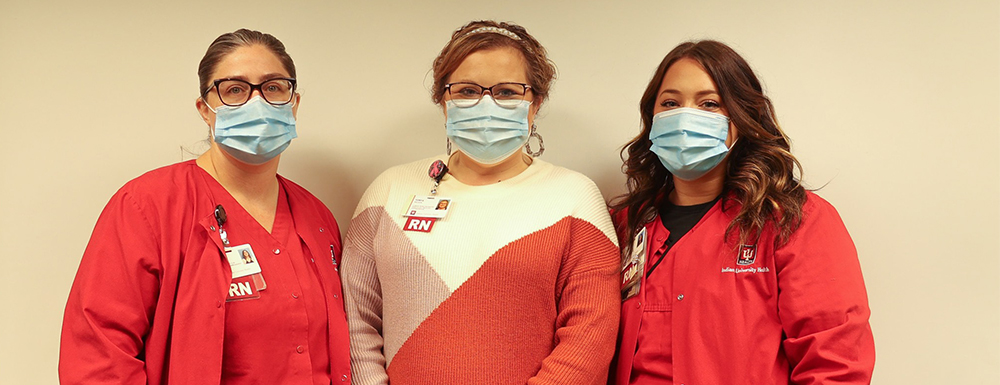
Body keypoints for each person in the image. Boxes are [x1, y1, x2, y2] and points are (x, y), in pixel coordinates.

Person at [59, 29, 351, 384]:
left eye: (273, 87)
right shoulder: (148, 207)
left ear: (294, 103)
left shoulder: (316, 218)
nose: (256, 103)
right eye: (235, 90)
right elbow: (99, 358)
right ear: (205, 109)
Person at [342, 20, 620, 385]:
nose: (486, 104)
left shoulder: (576, 198)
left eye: (506, 92)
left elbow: (590, 334)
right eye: (467, 91)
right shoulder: (389, 190)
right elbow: (356, 320)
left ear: (534, 104)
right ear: (443, 101)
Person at [609, 40, 875, 384]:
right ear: (653, 119)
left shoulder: (793, 219)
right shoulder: (626, 225)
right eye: (671, 103)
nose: (686, 117)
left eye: (709, 104)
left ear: (743, 117)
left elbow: (836, 364)